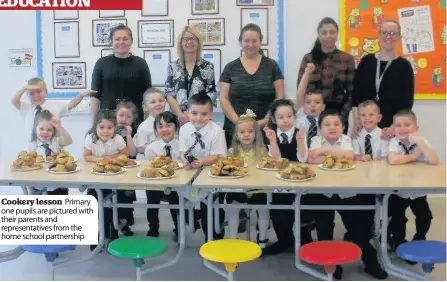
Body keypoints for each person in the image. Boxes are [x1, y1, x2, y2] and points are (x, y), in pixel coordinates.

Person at [308, 109, 387, 279]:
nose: (332, 127)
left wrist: (325, 153)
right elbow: (312, 159)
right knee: (324, 231)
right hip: (323, 193)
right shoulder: (315, 140)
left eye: (337, 124)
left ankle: (371, 262)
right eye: (327, 124)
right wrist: (337, 155)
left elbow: (349, 156)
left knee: (358, 231)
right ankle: (332, 265)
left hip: (347, 193)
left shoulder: (346, 140)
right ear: (320, 128)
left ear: (343, 127)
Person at [220, 23, 284, 147]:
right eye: (246, 41)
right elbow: (224, 98)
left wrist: (266, 119)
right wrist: (238, 122)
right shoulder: (230, 67)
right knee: (234, 165)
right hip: (235, 131)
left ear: (260, 42)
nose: (250, 44)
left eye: (254, 41)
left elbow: (280, 97)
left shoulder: (272, 66)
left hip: (266, 129)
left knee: (265, 165)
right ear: (240, 42)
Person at [387, 110, 438, 261]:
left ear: (416, 127)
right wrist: (414, 156)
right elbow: (393, 160)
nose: (402, 129)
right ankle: (398, 241)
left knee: (425, 216)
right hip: (398, 190)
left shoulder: (422, 141)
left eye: (407, 125)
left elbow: (434, 161)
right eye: (398, 125)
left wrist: (421, 143)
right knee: (397, 218)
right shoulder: (394, 142)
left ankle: (419, 239)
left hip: (417, 190)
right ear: (393, 128)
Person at [262, 99, 311, 255]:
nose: (286, 120)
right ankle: (284, 240)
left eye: (289, 116)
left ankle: (305, 242)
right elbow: (276, 160)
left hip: (299, 179)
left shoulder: (300, 133)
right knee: (278, 211)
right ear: (274, 120)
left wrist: (301, 141)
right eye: (281, 117)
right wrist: (272, 141)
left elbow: (303, 158)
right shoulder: (271, 134)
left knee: (303, 211)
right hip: (279, 180)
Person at [352, 19, 414, 138]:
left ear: (399, 37)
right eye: (384, 32)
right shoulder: (366, 61)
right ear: (379, 35)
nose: (388, 36)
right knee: (364, 156)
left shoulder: (404, 66)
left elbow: (407, 104)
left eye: (392, 33)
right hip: (365, 126)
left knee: (389, 156)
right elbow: (356, 96)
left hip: (391, 130)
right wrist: (357, 122)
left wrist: (394, 127)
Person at [179, 94, 227, 241]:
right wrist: (186, 160)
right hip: (191, 172)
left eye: (204, 114)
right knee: (184, 198)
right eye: (194, 113)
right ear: (188, 112)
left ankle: (213, 238)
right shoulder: (184, 129)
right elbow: (183, 152)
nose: (198, 118)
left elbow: (217, 156)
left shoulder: (217, 131)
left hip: (211, 173)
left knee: (211, 208)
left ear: (211, 114)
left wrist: (201, 162)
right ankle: (191, 222)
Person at [297, 17, 355, 132]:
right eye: (324, 32)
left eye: (332, 32)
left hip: (338, 114)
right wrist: (308, 115)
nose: (328, 36)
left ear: (337, 34)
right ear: (318, 35)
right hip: (312, 116)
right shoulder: (308, 58)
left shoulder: (347, 59)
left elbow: (351, 92)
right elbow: (301, 90)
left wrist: (342, 116)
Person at [83, 109, 129, 251]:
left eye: (109, 127)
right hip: (95, 178)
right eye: (101, 127)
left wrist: (113, 159)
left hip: (113, 178)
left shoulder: (118, 139)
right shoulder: (90, 138)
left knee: (110, 206)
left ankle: (112, 234)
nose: (105, 131)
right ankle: (95, 236)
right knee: (93, 206)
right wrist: (100, 159)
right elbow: (86, 156)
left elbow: (125, 154)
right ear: (95, 127)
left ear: (114, 128)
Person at [90, 24, 151, 126]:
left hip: (134, 120)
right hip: (107, 121)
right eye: (117, 39)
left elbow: (148, 95)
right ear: (111, 41)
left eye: (125, 39)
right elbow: (94, 96)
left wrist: (148, 123)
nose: (121, 42)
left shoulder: (141, 63)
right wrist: (94, 123)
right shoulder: (101, 63)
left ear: (131, 41)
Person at [225, 109, 270, 248]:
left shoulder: (262, 150)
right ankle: (233, 237)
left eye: (250, 132)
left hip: (258, 187)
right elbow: (229, 170)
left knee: (264, 209)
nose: (246, 135)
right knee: (233, 208)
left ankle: (262, 238)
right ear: (236, 135)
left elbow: (266, 169)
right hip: (238, 187)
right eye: (242, 132)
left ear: (256, 133)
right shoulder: (232, 151)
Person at [11, 77, 93, 141]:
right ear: (27, 95)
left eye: (39, 92)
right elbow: (14, 101)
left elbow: (71, 105)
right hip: (32, 149)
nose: (36, 95)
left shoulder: (55, 105)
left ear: (46, 92)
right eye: (31, 93)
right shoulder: (26, 107)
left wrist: (81, 96)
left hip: (53, 148)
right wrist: (25, 88)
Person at [165, 25, 216, 125]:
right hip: (178, 119)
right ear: (181, 42)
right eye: (186, 39)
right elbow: (169, 94)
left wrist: (194, 114)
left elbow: (211, 94)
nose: (189, 42)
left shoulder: (207, 66)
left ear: (198, 42)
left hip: (200, 118)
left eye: (193, 39)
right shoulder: (173, 66)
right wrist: (180, 115)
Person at [144, 111, 181, 239]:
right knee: (152, 204)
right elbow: (149, 167)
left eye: (168, 125)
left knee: (176, 205)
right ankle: (153, 228)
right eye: (160, 127)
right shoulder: (151, 148)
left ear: (176, 127)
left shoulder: (182, 146)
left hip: (176, 184)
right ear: (156, 130)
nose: (165, 129)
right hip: (155, 184)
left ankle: (178, 228)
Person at [26, 110, 72, 196]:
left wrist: (59, 127)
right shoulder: (31, 146)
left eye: (49, 130)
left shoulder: (56, 142)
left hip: (58, 186)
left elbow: (68, 141)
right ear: (35, 128)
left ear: (54, 131)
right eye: (41, 129)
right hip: (37, 187)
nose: (45, 132)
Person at [115, 101, 138, 236]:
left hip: (128, 171)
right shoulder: (108, 129)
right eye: (121, 115)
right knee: (114, 197)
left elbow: (133, 153)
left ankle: (126, 224)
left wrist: (128, 135)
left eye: (128, 117)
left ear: (133, 119)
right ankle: (113, 222)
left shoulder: (134, 132)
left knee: (126, 198)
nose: (124, 119)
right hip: (114, 169)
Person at [295, 63, 326, 147]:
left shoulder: (325, 121)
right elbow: (300, 92)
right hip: (300, 154)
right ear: (303, 105)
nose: (313, 105)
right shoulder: (301, 114)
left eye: (317, 102)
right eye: (308, 102)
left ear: (323, 107)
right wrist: (307, 72)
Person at [134, 88, 166, 160]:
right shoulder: (143, 127)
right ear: (145, 107)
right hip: (148, 161)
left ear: (165, 103)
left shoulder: (171, 122)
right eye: (153, 102)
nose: (158, 104)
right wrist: (157, 146)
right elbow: (139, 149)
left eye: (161, 101)